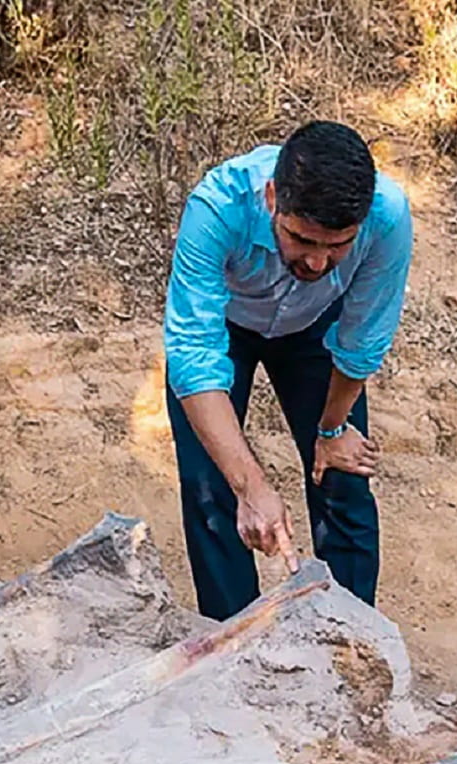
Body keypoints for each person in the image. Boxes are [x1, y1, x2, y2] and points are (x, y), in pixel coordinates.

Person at [163, 120, 413, 619]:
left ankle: (354, 638)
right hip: (228, 326)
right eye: (302, 240)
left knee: (343, 476)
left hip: (316, 329)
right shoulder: (217, 207)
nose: (318, 263)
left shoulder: (387, 218)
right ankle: (232, 641)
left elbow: (361, 339)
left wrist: (333, 428)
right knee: (214, 486)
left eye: (337, 246)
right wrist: (251, 487)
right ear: (274, 197)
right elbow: (194, 355)